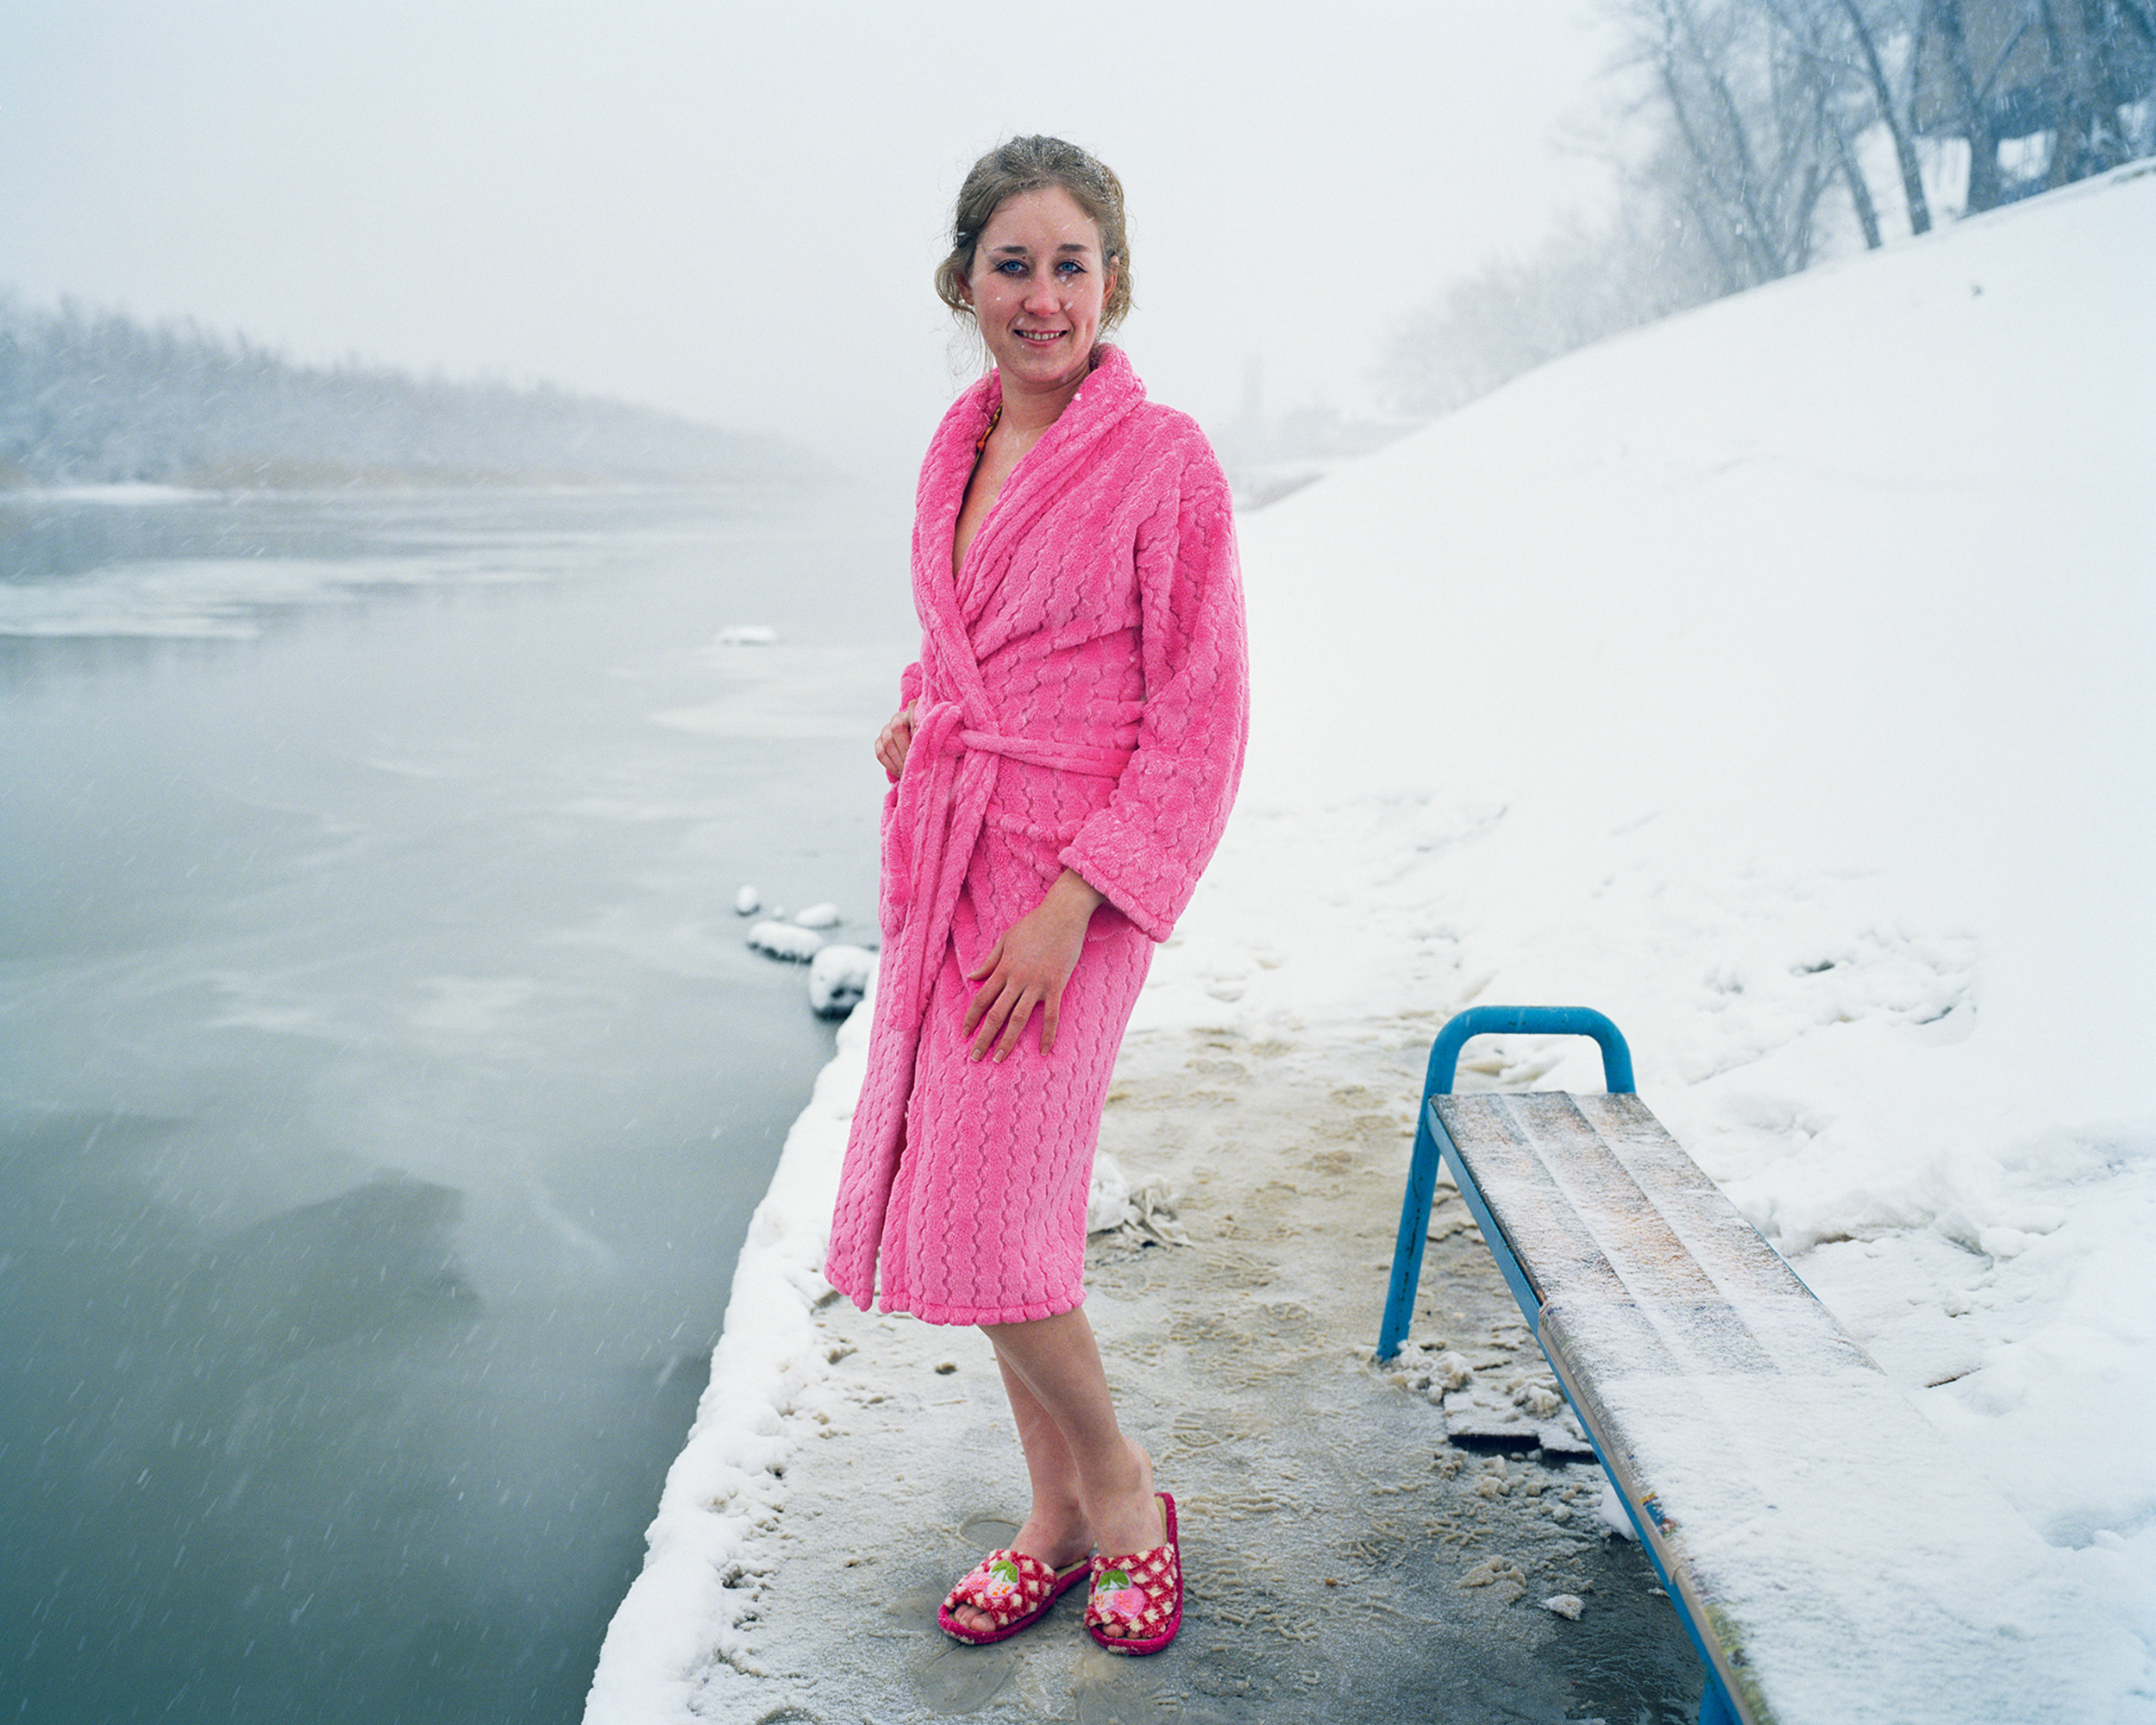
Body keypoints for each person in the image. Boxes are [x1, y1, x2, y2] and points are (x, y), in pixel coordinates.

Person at [822, 135, 1248, 1657]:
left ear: (1115, 285)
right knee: (981, 1212)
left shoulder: (1167, 461)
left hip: (1074, 886)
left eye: (1073, 266)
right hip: (957, 866)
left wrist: (1082, 900)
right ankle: (1054, 1515)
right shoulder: (958, 447)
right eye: (1014, 265)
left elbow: (1201, 717)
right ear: (964, 282)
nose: (1043, 296)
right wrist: (919, 711)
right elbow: (969, 646)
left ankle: (1122, 1495)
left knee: (996, 1223)